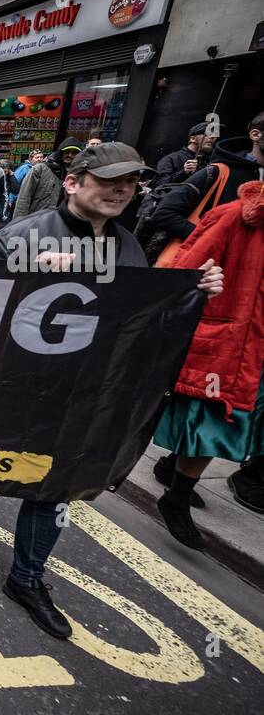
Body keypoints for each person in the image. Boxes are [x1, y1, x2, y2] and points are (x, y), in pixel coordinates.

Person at [0, 143, 223, 638]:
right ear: (74, 182)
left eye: (129, 182)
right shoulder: (20, 238)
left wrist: (191, 293)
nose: (122, 190)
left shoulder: (127, 246)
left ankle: (27, 578)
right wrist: (28, 276)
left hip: (79, 391)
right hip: (9, 384)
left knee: (55, 481)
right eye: (108, 180)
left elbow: (135, 321)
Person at [152, 177, 264, 544]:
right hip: (227, 341)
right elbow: (183, 274)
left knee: (228, 427)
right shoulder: (232, 217)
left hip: (256, 345)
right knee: (212, 424)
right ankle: (177, 497)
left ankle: (173, 470)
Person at [149, 111, 264, 245]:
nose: (212, 137)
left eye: (214, 135)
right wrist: (208, 240)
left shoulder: (209, 161)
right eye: (207, 133)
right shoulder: (217, 169)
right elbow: (161, 200)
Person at [12, 138, 82, 221]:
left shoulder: (81, 174)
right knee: (33, 234)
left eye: (74, 152)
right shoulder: (41, 169)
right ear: (60, 152)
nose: (69, 155)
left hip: (62, 224)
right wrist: (18, 223)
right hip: (36, 222)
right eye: (67, 151)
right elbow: (24, 198)